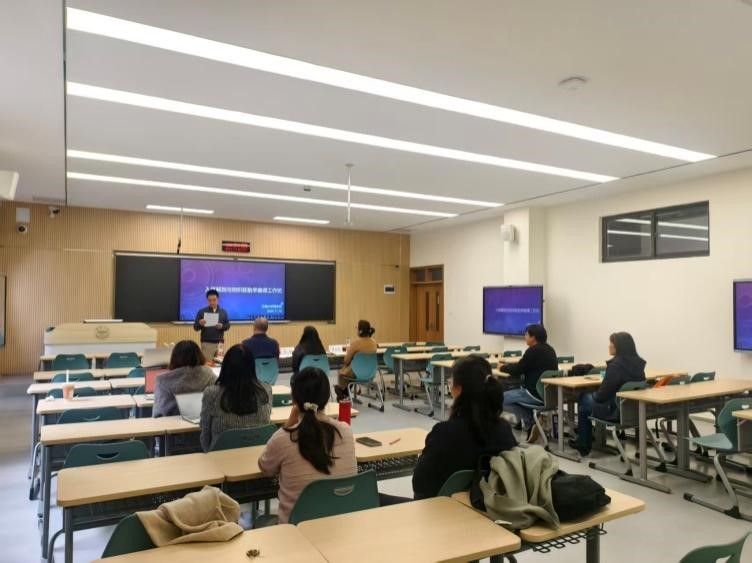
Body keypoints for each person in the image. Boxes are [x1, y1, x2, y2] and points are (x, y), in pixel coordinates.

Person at [258, 367, 356, 523]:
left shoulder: (283, 438)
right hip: (340, 524)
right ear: (327, 398)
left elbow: (264, 467)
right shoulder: (345, 431)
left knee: (262, 520)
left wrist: (287, 426)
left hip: (296, 530)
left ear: (294, 399)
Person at [412, 356, 517, 499]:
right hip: (488, 508)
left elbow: (419, 484)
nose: (450, 384)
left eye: (451, 380)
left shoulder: (444, 433)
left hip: (442, 509)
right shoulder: (504, 430)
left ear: (459, 390)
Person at [569, 332, 646, 456]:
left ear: (618, 346)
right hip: (635, 410)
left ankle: (584, 443)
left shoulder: (615, 366)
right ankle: (589, 439)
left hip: (615, 412)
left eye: (611, 343)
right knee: (587, 400)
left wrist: (592, 394)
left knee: (583, 398)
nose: (609, 346)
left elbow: (601, 396)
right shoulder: (639, 364)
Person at [199, 344, 272, 451]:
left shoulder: (211, 393)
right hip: (257, 454)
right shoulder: (266, 390)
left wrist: (208, 454)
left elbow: (205, 433)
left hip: (220, 456)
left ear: (225, 367)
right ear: (252, 367)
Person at [153, 340, 216, 452]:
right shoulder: (210, 375)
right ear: (199, 355)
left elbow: (157, 415)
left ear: (174, 358)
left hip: (173, 442)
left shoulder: (162, 381)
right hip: (206, 439)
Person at [498, 324, 558, 439]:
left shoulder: (533, 351)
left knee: (499, 399)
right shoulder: (550, 350)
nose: (524, 337)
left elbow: (518, 370)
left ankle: (530, 422)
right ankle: (532, 422)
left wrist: (502, 367)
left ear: (533, 337)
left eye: (526, 334)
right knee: (515, 395)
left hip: (534, 393)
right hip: (550, 396)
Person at [335, 320, 377, 400]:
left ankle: (342, 391)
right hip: (371, 372)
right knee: (349, 370)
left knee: (343, 371)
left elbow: (346, 360)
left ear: (360, 331)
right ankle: (344, 392)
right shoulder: (374, 342)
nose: (356, 329)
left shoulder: (355, 343)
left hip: (357, 372)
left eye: (357, 328)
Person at [193, 289, 230, 360]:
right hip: (206, 343)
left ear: (218, 299)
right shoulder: (202, 312)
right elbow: (195, 327)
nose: (212, 302)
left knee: (219, 363)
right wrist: (200, 323)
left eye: (214, 300)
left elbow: (228, 326)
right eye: (210, 300)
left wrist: (222, 326)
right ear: (207, 300)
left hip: (220, 343)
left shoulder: (223, 312)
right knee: (207, 363)